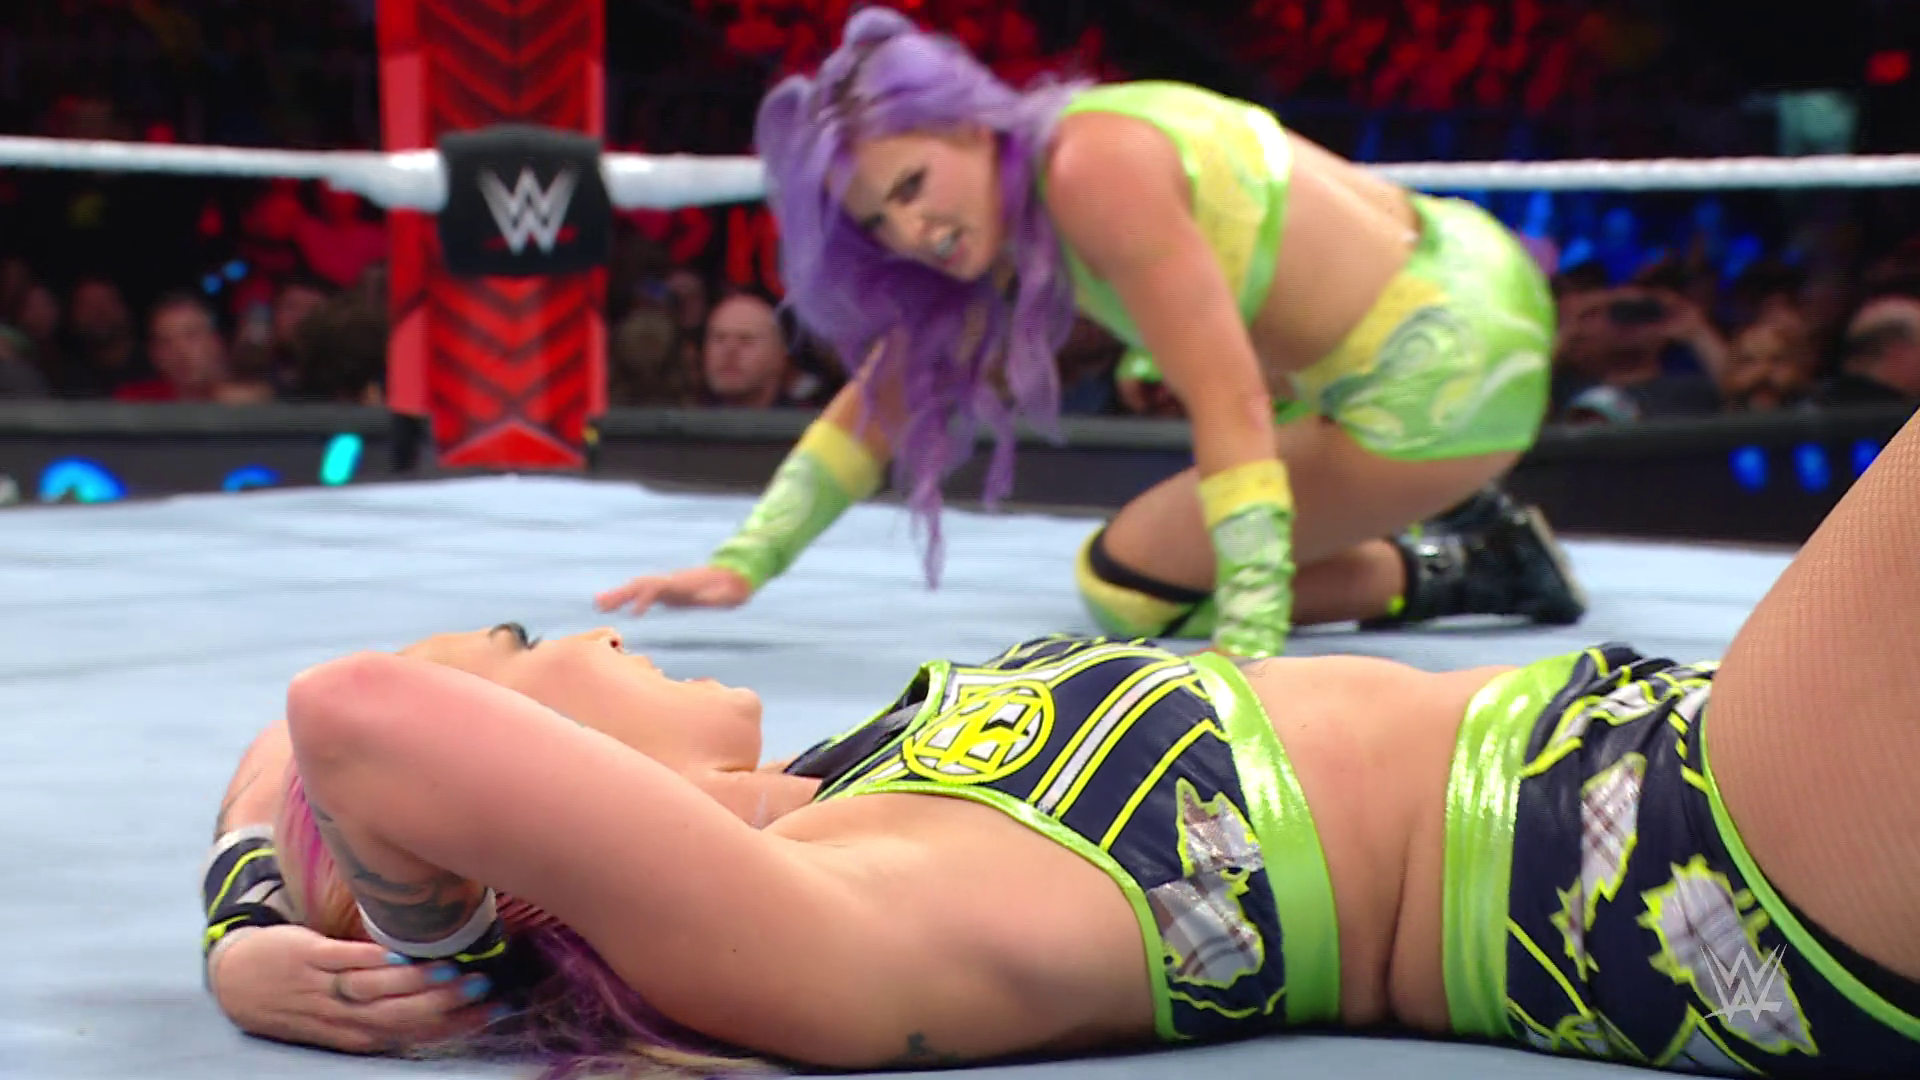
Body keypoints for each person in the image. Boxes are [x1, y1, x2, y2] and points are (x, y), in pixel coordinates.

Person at [205, 402, 1920, 1076]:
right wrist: (399, 941)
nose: (583, 630)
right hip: (1698, 861)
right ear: (514, 840)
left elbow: (299, 755)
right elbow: (352, 720)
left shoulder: (873, 783)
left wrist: (250, 910)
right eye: (523, 653)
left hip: (1693, 752)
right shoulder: (838, 908)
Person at [595, 7, 1585, 659]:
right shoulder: (1028, 190)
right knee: (1147, 561)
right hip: (1450, 272)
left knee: (1129, 588)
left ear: (970, 127)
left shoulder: (1087, 170)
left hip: (1441, 371)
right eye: (880, 223)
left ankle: (1469, 562)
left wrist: (1248, 640)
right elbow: (888, 395)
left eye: (913, 186)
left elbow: (1228, 397)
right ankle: (1438, 520)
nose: (913, 232)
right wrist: (747, 561)